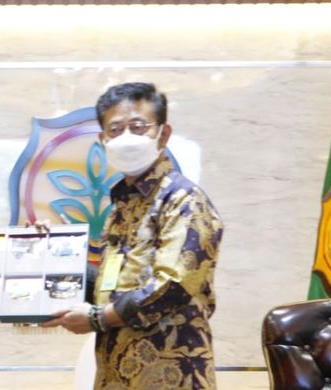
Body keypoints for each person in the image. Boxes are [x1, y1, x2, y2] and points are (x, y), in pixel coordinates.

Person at [42, 82, 224, 389]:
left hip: (170, 373)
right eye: (115, 129)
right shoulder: (122, 207)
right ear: (102, 139)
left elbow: (172, 285)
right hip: (117, 372)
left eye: (138, 127)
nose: (126, 137)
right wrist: (50, 255)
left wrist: (98, 318)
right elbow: (111, 286)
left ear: (163, 134)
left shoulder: (183, 200)